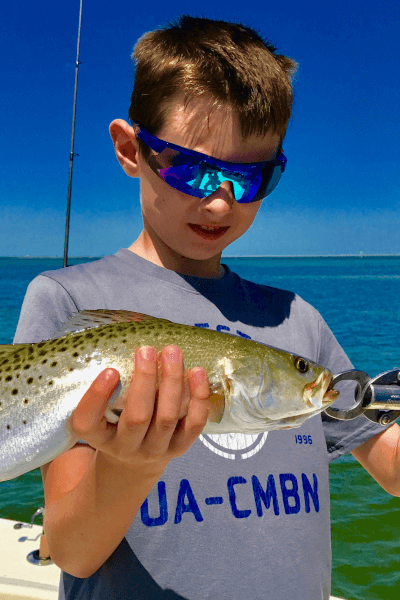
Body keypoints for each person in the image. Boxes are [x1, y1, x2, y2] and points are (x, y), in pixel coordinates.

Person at [13, 15, 400, 600]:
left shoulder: (298, 321)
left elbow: (390, 464)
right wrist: (135, 464)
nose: (220, 202)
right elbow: (71, 550)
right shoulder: (66, 301)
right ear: (129, 149)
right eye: (194, 170)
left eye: (251, 178)